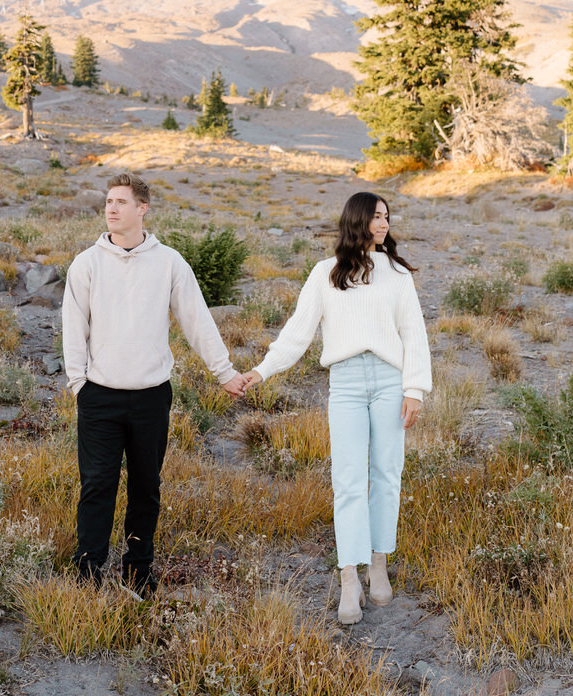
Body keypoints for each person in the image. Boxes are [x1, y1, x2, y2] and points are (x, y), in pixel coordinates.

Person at [242, 191, 431, 624]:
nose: (382, 224)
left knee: (386, 475)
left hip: (388, 380)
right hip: (345, 382)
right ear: (356, 221)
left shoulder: (398, 275)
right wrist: (261, 371)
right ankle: (349, 575)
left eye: (386, 216)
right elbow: (297, 332)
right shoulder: (325, 274)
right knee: (347, 480)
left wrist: (415, 389)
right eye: (375, 217)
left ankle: (378, 564)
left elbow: (414, 334)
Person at [62, 171, 246, 594]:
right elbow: (73, 329)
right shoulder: (87, 264)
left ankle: (138, 571)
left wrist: (225, 373)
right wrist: (79, 385)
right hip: (100, 396)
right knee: (97, 487)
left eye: (121, 202)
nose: (111, 208)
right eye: (108, 201)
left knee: (146, 487)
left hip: (150, 397)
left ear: (142, 209)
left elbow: (197, 320)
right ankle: (88, 572)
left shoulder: (169, 263)